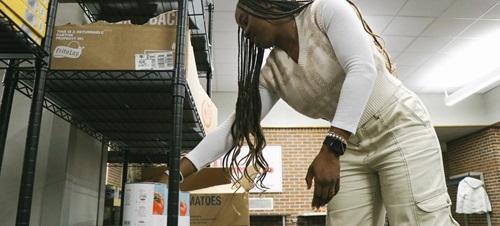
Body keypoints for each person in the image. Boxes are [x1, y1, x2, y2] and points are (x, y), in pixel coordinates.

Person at [157, 0, 460, 225]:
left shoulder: (326, 11)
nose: (245, 33)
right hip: (349, 145)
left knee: (419, 220)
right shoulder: (272, 73)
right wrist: (174, 174)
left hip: (397, 126)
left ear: (265, 5)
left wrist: (332, 147)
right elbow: (235, 127)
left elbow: (362, 68)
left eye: (246, 22)